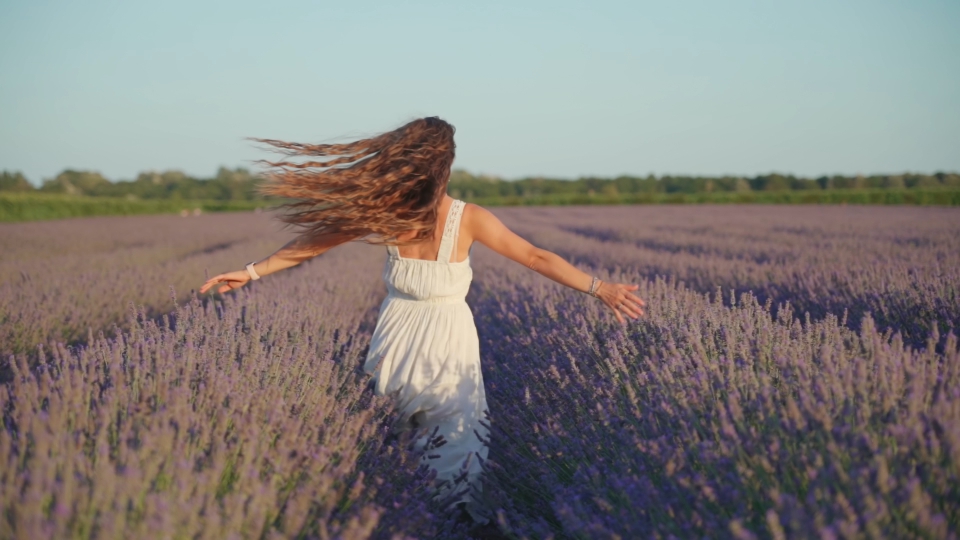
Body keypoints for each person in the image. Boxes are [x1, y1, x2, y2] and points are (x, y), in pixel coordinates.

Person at [198, 117, 645, 524]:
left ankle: (388, 513)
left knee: (392, 425)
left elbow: (315, 243)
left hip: (397, 331)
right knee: (456, 433)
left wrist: (252, 271)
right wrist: (598, 287)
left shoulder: (390, 213)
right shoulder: (469, 217)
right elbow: (534, 256)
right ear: (445, 166)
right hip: (448, 335)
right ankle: (453, 521)